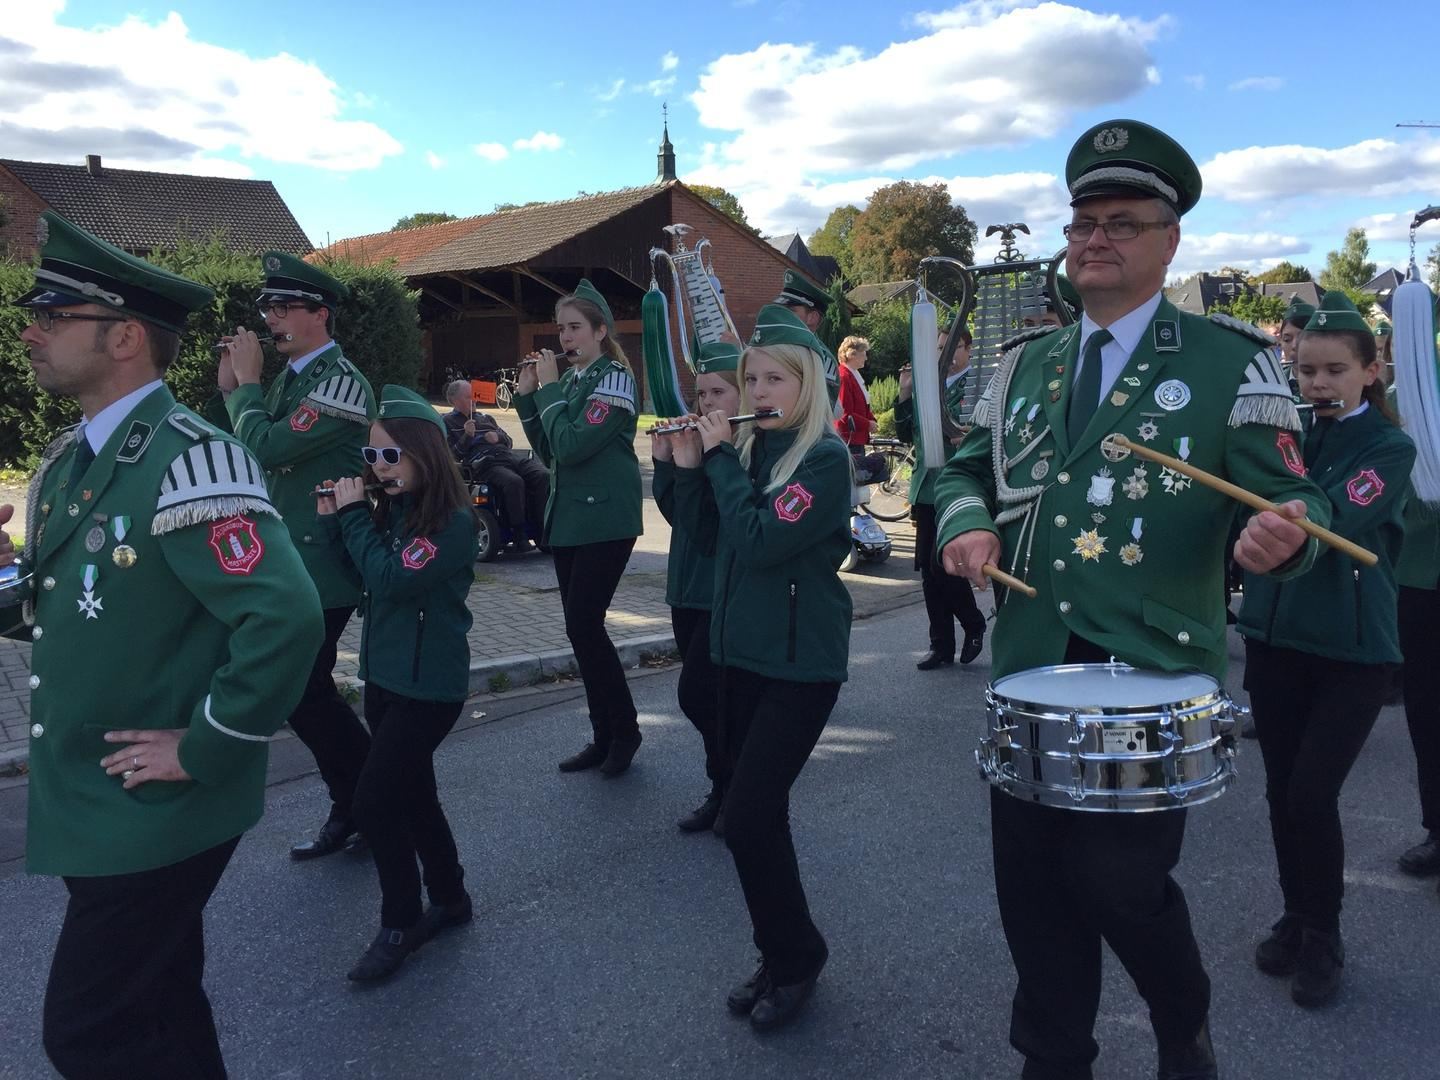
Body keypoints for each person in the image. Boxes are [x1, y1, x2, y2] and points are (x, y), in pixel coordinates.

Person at [934, 119, 1330, 1080]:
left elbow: (1296, 498)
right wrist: (965, 524)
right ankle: (1054, 1056)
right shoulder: (1025, 363)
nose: (1094, 240)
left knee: (1119, 885)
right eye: (1082, 223)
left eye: (1121, 222)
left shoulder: (1230, 362)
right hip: (1033, 660)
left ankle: (1181, 1020)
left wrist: (1284, 536)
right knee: (1032, 888)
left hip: (1151, 670)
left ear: (1169, 239)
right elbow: (962, 473)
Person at [0, 212, 322, 1079]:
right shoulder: (70, 460)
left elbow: (286, 619)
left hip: (154, 809)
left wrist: (207, 744)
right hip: (97, 794)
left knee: (90, 1032)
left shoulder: (192, 461)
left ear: (125, 337)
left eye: (53, 317)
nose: (28, 332)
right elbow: (68, 610)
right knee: (162, 1003)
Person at [668, 304, 852, 1030]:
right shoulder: (750, 451)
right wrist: (686, 467)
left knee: (745, 821)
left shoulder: (823, 460)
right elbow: (706, 534)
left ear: (807, 385)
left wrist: (717, 461)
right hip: (738, 655)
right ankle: (782, 954)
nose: (759, 392)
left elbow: (762, 542)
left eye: (776, 379)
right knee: (762, 821)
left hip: (800, 665)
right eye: (752, 380)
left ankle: (797, 956)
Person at [1237, 292, 1414, 1007]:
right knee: (1282, 792)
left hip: (1351, 650)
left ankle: (1324, 933)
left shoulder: (1390, 447)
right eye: (1306, 370)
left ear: (1371, 371)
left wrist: (1281, 496)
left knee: (1312, 794)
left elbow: (1332, 514)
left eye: (1335, 371)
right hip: (1275, 641)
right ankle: (1296, 912)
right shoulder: (1287, 433)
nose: (1317, 384)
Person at [206, 251, 376, 861]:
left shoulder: (340, 383)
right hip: (290, 560)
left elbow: (267, 448)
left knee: (303, 691)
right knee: (305, 692)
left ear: (320, 314)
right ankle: (363, 803)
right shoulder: (294, 378)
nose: (271, 319)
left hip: (324, 563)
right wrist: (234, 389)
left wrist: (247, 388)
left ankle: (368, 802)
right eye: (267, 309)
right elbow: (240, 445)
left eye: (283, 307)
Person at [319, 385, 479, 982]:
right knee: (415, 795)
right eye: (371, 456)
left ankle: (402, 919)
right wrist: (336, 522)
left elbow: (391, 580)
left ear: (424, 453)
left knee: (374, 801)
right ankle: (451, 897)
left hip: (428, 688)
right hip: (386, 678)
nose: (378, 467)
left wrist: (354, 516)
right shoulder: (397, 512)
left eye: (390, 455)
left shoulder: (453, 523)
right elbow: (361, 578)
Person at [516, 280, 645, 776]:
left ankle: (625, 731)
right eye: (561, 329)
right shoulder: (572, 381)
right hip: (571, 517)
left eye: (574, 328)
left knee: (586, 626)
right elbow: (549, 451)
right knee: (579, 630)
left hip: (605, 518)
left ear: (600, 331)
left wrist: (548, 390)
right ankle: (603, 733)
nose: (565, 338)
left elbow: (572, 447)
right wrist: (529, 397)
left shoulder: (613, 379)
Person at [651, 341, 741, 834]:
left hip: (718, 593)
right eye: (702, 393)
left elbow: (714, 529)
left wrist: (700, 462)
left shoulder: (739, 451)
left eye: (718, 392)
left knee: (701, 695)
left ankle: (739, 786)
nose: (706, 403)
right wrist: (666, 461)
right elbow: (678, 517)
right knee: (710, 701)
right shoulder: (700, 443)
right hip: (684, 589)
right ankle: (722, 788)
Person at [896, 325, 986, 668]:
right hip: (926, 486)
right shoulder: (927, 385)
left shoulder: (979, 384)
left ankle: (973, 623)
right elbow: (906, 434)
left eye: (952, 347)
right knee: (929, 572)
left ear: (968, 349)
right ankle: (941, 645)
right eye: (938, 348)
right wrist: (905, 394)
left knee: (942, 566)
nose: (944, 355)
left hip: (958, 485)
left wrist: (969, 437)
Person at [443, 378, 547, 552]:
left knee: (543, 475)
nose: (474, 400)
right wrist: (467, 436)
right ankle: (519, 534)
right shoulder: (447, 422)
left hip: (507, 456)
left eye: (474, 396)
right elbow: (453, 455)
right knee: (513, 482)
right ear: (454, 400)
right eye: (468, 397)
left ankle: (543, 528)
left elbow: (509, 441)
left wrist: (498, 437)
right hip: (484, 463)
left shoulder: (486, 418)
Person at [835, 335, 877, 453]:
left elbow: (862, 407)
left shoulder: (851, 375)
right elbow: (845, 413)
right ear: (852, 354)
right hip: (848, 439)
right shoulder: (844, 377)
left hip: (854, 438)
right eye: (863, 353)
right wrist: (867, 424)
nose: (866, 358)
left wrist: (871, 420)